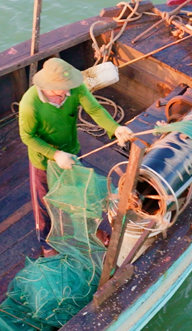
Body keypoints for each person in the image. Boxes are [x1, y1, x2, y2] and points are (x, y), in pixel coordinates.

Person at [18, 58, 133, 256]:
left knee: (81, 194)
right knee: (44, 204)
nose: (69, 90)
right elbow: (27, 136)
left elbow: (95, 109)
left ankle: (91, 230)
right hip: (44, 161)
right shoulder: (30, 104)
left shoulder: (75, 88)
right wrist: (55, 154)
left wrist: (115, 128)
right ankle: (47, 244)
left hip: (72, 151)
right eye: (64, 87)